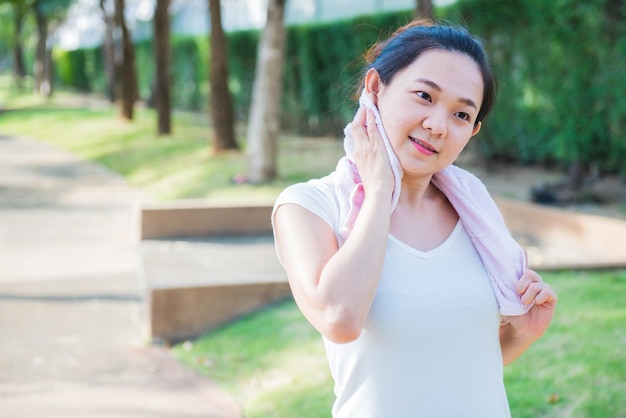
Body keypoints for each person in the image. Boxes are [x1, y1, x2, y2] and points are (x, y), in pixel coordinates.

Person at [271, 19, 557, 417]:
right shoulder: (310, 206)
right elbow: (340, 318)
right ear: (375, 88)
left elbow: (458, 361)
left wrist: (524, 334)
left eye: (460, 115)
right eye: (424, 95)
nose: (438, 125)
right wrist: (377, 192)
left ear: (473, 131)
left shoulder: (474, 212)